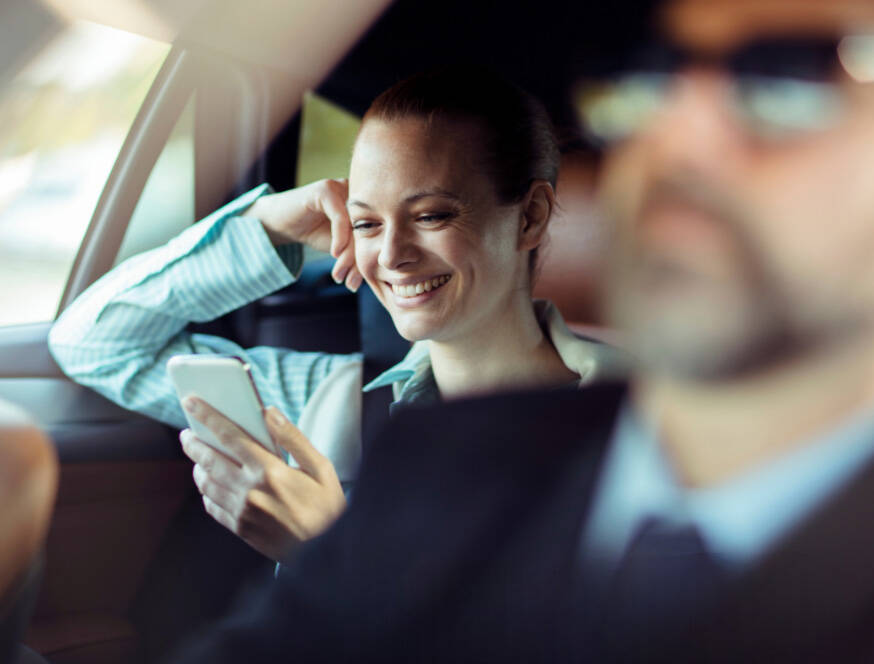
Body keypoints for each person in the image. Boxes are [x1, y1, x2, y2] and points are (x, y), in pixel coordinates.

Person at [163, 0, 874, 661]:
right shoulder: (434, 463)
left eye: (791, 79)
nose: (675, 139)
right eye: (646, 78)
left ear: (531, 217)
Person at [47, 67, 622, 563]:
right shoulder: (330, 401)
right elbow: (95, 344)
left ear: (530, 217)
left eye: (430, 216)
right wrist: (268, 227)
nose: (391, 256)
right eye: (367, 222)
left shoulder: (639, 421)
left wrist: (326, 550)